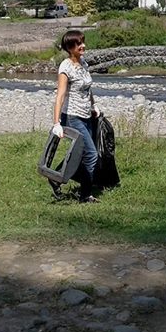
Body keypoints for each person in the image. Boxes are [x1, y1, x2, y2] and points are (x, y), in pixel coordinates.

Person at [51, 29, 100, 203]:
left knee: (80, 153)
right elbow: (60, 95)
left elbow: (87, 87)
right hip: (72, 117)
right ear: (70, 47)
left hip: (86, 115)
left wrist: (93, 105)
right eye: (79, 44)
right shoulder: (65, 67)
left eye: (83, 42)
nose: (83, 46)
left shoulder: (83, 62)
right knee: (91, 155)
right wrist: (56, 123)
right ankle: (85, 195)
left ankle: (56, 176)